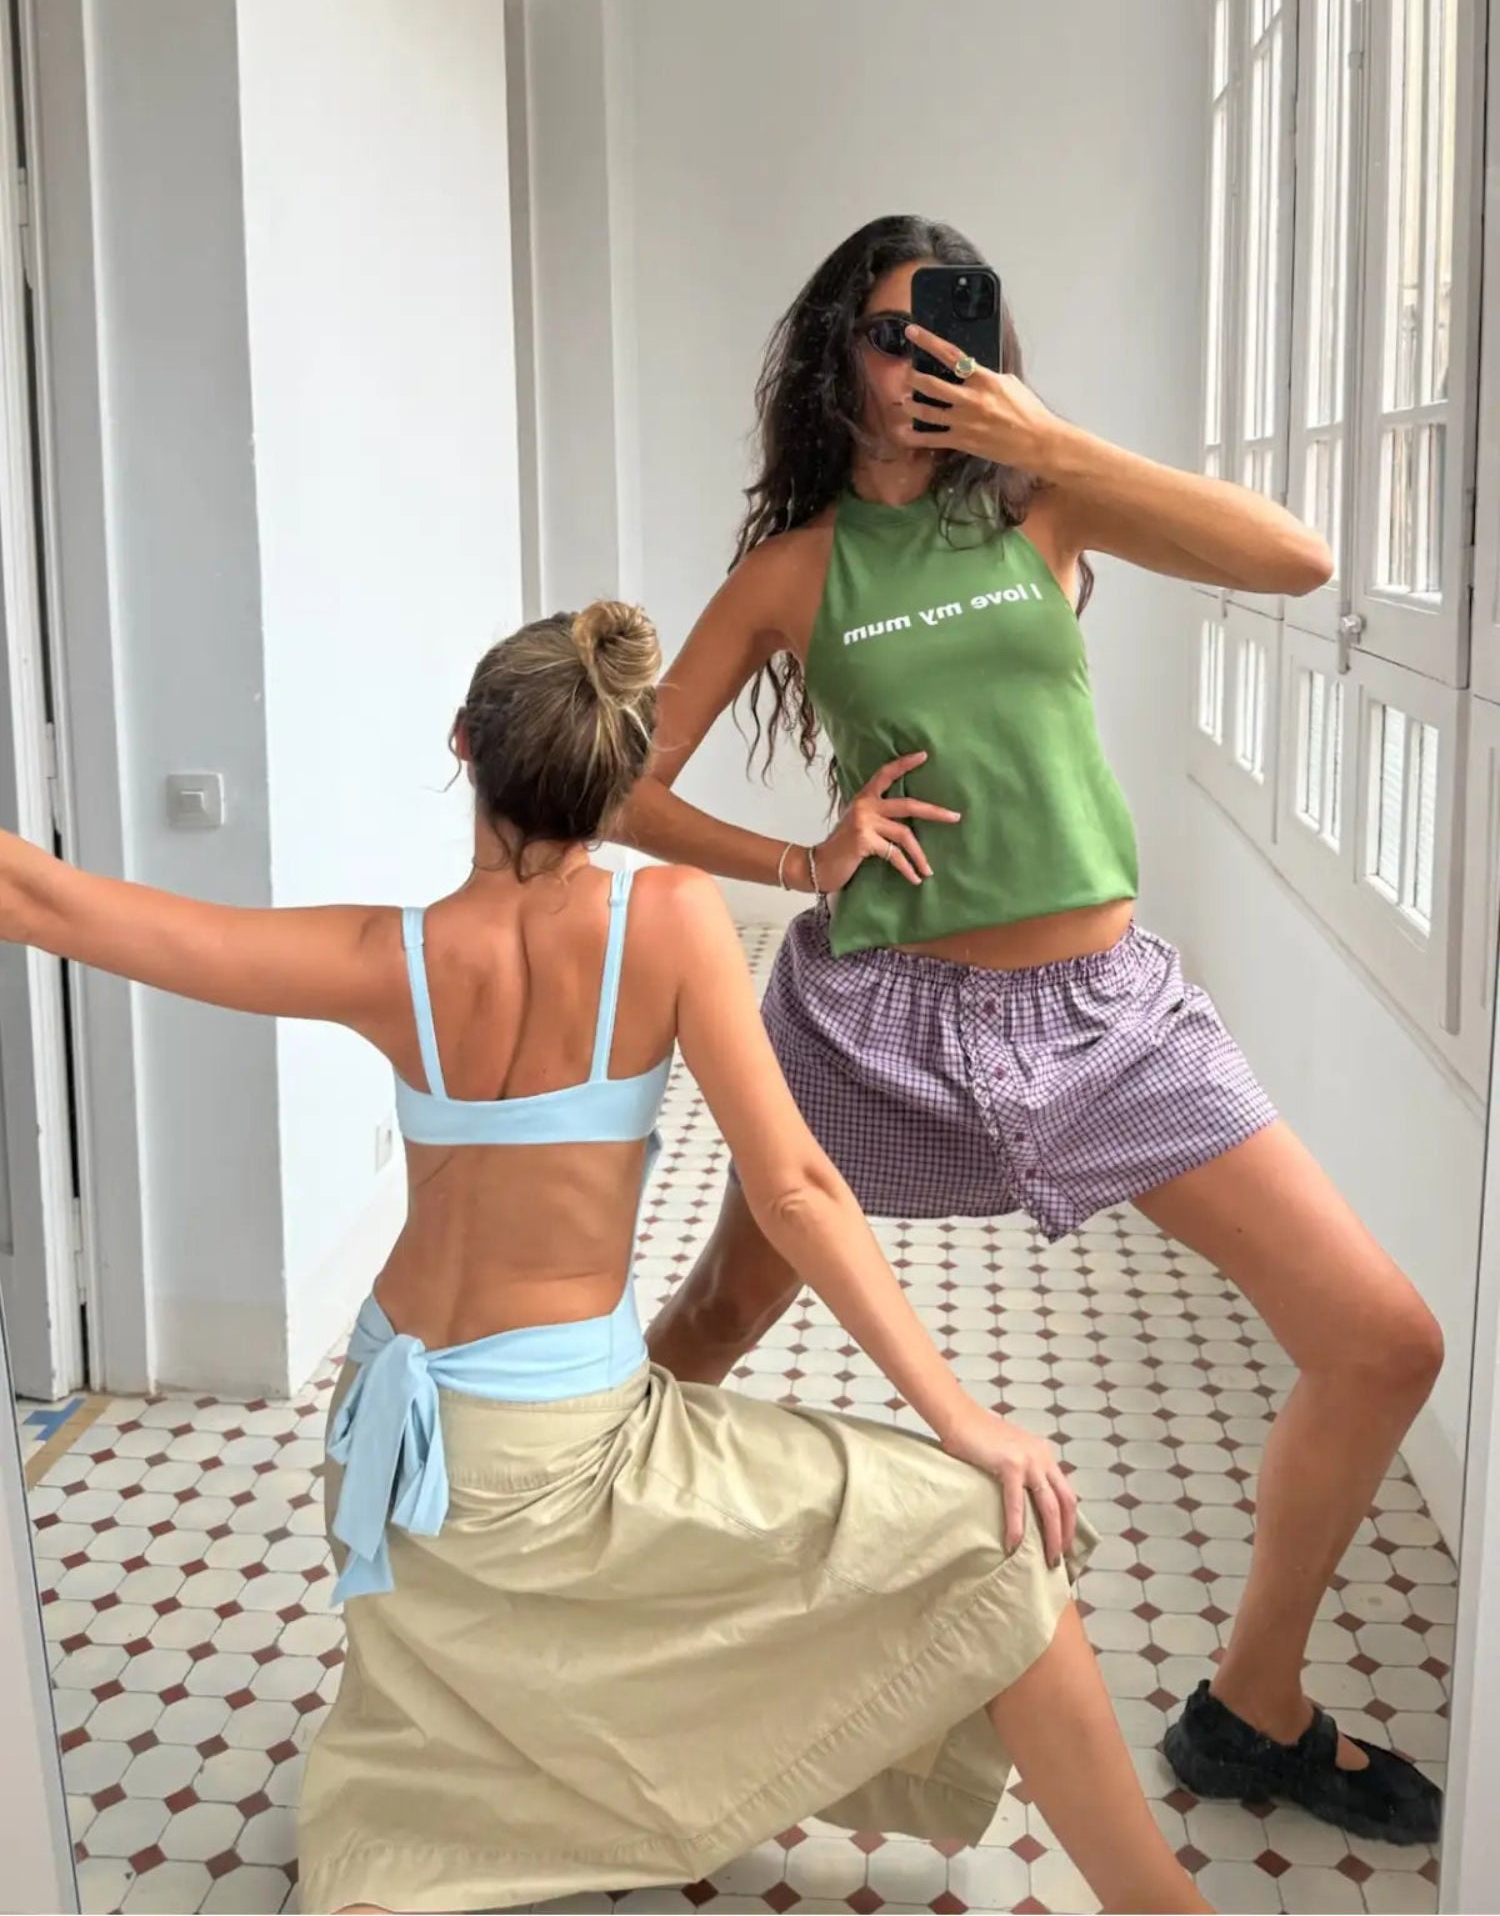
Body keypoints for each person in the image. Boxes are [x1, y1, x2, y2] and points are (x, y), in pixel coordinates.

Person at [0, 600, 1209, 1914]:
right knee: (1000, 1541)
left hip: (394, 1452)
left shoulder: (385, 956)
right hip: (556, 1453)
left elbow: (41, 897)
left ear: (464, 744)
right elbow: (798, 1191)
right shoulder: (671, 920)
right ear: (617, 778)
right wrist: (962, 1418)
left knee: (529, 1661)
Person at [623, 214, 1445, 1848]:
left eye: (952, 330)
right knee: (709, 1321)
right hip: (873, 1024)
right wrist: (801, 862)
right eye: (889, 333)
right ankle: (573, 1587)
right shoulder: (795, 573)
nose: (921, 360)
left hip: (1111, 1020)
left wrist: (1047, 438)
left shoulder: (1048, 506)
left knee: (1385, 1341)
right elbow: (626, 783)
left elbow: (1297, 560)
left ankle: (1254, 1708)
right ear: (835, 357)